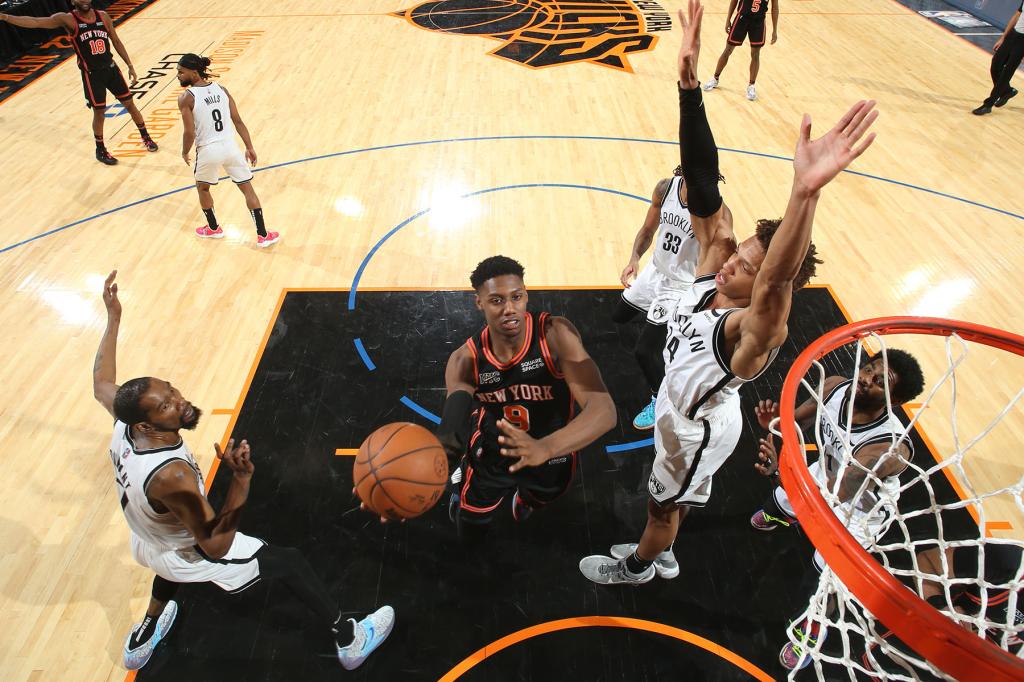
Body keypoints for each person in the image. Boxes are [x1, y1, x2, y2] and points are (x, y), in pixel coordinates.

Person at [578, 0, 876, 587]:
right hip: (678, 407)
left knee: (661, 507)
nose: (729, 260)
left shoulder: (750, 332)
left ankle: (642, 564)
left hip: (695, 426)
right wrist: (689, 89)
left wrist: (804, 195)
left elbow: (776, 280)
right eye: (736, 252)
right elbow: (704, 183)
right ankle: (663, 541)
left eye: (744, 266)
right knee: (675, 497)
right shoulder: (717, 266)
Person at [93, 271, 391, 670]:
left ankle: (147, 629)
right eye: (165, 405)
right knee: (289, 562)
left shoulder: (125, 423)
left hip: (149, 539)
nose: (179, 401)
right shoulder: (172, 476)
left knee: (167, 563)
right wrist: (242, 480)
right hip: (191, 550)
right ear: (146, 425)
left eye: (171, 389)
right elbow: (215, 545)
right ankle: (349, 638)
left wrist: (113, 318)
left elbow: (101, 382)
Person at [744, 350, 924, 669]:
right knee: (782, 500)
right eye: (869, 369)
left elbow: (836, 497)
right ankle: (781, 513)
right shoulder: (837, 387)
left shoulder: (887, 447)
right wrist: (774, 423)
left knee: (822, 576)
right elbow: (795, 421)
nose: (866, 379)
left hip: (857, 513)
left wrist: (779, 471)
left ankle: (813, 632)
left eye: (880, 381)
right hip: (823, 475)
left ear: (894, 401)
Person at [436, 255, 617, 545]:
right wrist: (411, 485)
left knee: (539, 497)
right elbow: (451, 432)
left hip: (554, 449)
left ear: (526, 295)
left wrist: (544, 447)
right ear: (479, 303)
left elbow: (604, 410)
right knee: (471, 524)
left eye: (516, 297)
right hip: (494, 452)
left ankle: (526, 499)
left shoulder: (554, 335)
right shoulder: (465, 360)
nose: (509, 309)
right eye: (496, 301)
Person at [0, 0, 158, 165]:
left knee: (130, 104)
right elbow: (36, 22)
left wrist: (130, 65)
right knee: (99, 112)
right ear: (73, 1)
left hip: (111, 69)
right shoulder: (68, 19)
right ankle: (100, 149)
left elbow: (116, 41)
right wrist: (5, 16)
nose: (84, 0)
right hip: (92, 75)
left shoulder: (103, 16)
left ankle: (145, 136)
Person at [613, 165, 699, 431]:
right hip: (654, 271)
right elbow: (647, 230)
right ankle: (669, 330)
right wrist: (634, 259)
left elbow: (721, 254)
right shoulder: (666, 188)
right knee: (619, 316)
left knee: (644, 351)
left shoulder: (711, 209)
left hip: (680, 285)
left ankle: (660, 399)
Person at [176, 53, 279, 247]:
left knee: (203, 187)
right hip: (231, 146)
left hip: (208, 150)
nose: (178, 76)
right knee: (247, 188)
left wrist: (184, 151)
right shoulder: (222, 89)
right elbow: (238, 121)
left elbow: (189, 132)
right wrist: (249, 146)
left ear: (194, 72)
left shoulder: (186, 98)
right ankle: (263, 235)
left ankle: (214, 228)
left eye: (181, 72)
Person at [701, 0, 779, 101]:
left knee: (755, 54)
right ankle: (715, 78)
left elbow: (775, 8)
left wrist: (775, 30)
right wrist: (728, 19)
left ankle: (751, 86)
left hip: (758, 22)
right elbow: (734, 1)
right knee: (728, 50)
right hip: (742, 19)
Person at [972, 2, 1023, 116]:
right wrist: (1003, 37)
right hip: (1013, 35)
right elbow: (1017, 16)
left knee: (1007, 72)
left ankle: (988, 105)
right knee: (995, 65)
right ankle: (1008, 91)